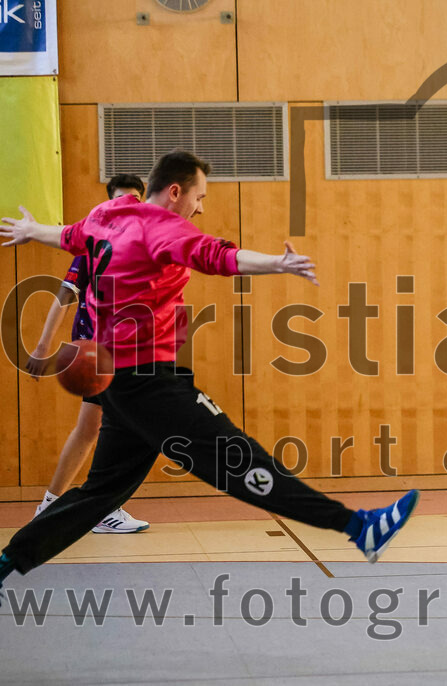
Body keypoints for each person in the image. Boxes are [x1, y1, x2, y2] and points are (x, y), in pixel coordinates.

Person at [0, 150, 419, 598]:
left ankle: (6, 562)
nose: (200, 208)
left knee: (99, 493)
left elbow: (68, 234)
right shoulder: (163, 228)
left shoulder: (108, 215)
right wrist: (277, 263)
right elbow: (219, 256)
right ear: (175, 191)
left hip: (119, 382)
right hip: (148, 384)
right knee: (237, 457)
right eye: (198, 197)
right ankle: (358, 527)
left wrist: (30, 231)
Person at [26, 174, 150, 533]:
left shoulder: (143, 245)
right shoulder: (93, 246)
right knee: (115, 427)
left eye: (132, 200)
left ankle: (59, 507)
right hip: (96, 352)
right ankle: (86, 507)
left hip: (126, 351)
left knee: (93, 428)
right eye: (119, 200)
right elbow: (65, 295)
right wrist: (43, 345)